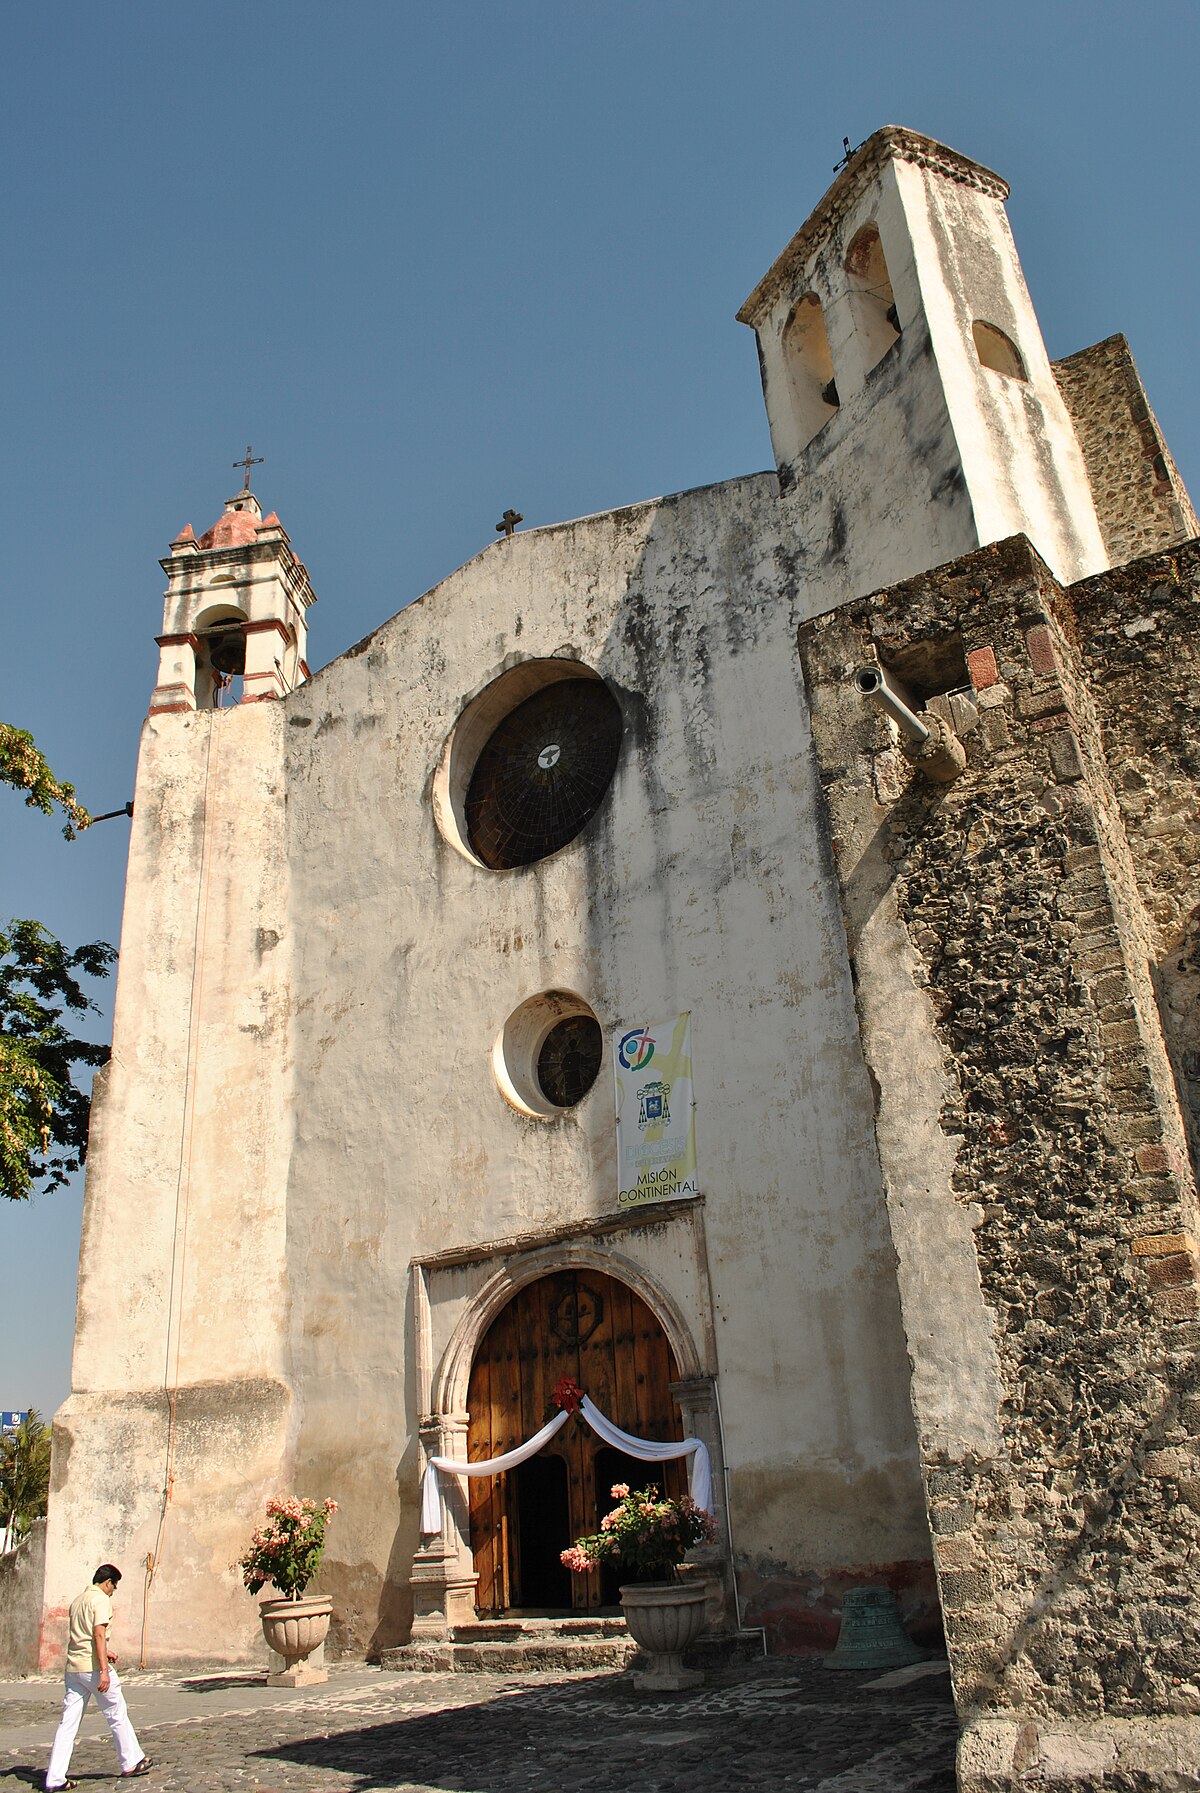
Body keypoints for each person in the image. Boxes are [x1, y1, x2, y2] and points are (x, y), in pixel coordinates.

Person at [45, 1564, 152, 1789]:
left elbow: (82, 1636)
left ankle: (55, 1778)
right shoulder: (101, 1600)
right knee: (116, 1713)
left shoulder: (77, 1600)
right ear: (108, 1582)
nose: (114, 1590)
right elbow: (98, 1634)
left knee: (68, 1725)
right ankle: (130, 1761)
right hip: (93, 1668)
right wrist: (104, 1669)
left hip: (74, 1668)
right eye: (114, 1585)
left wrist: (106, 1653)